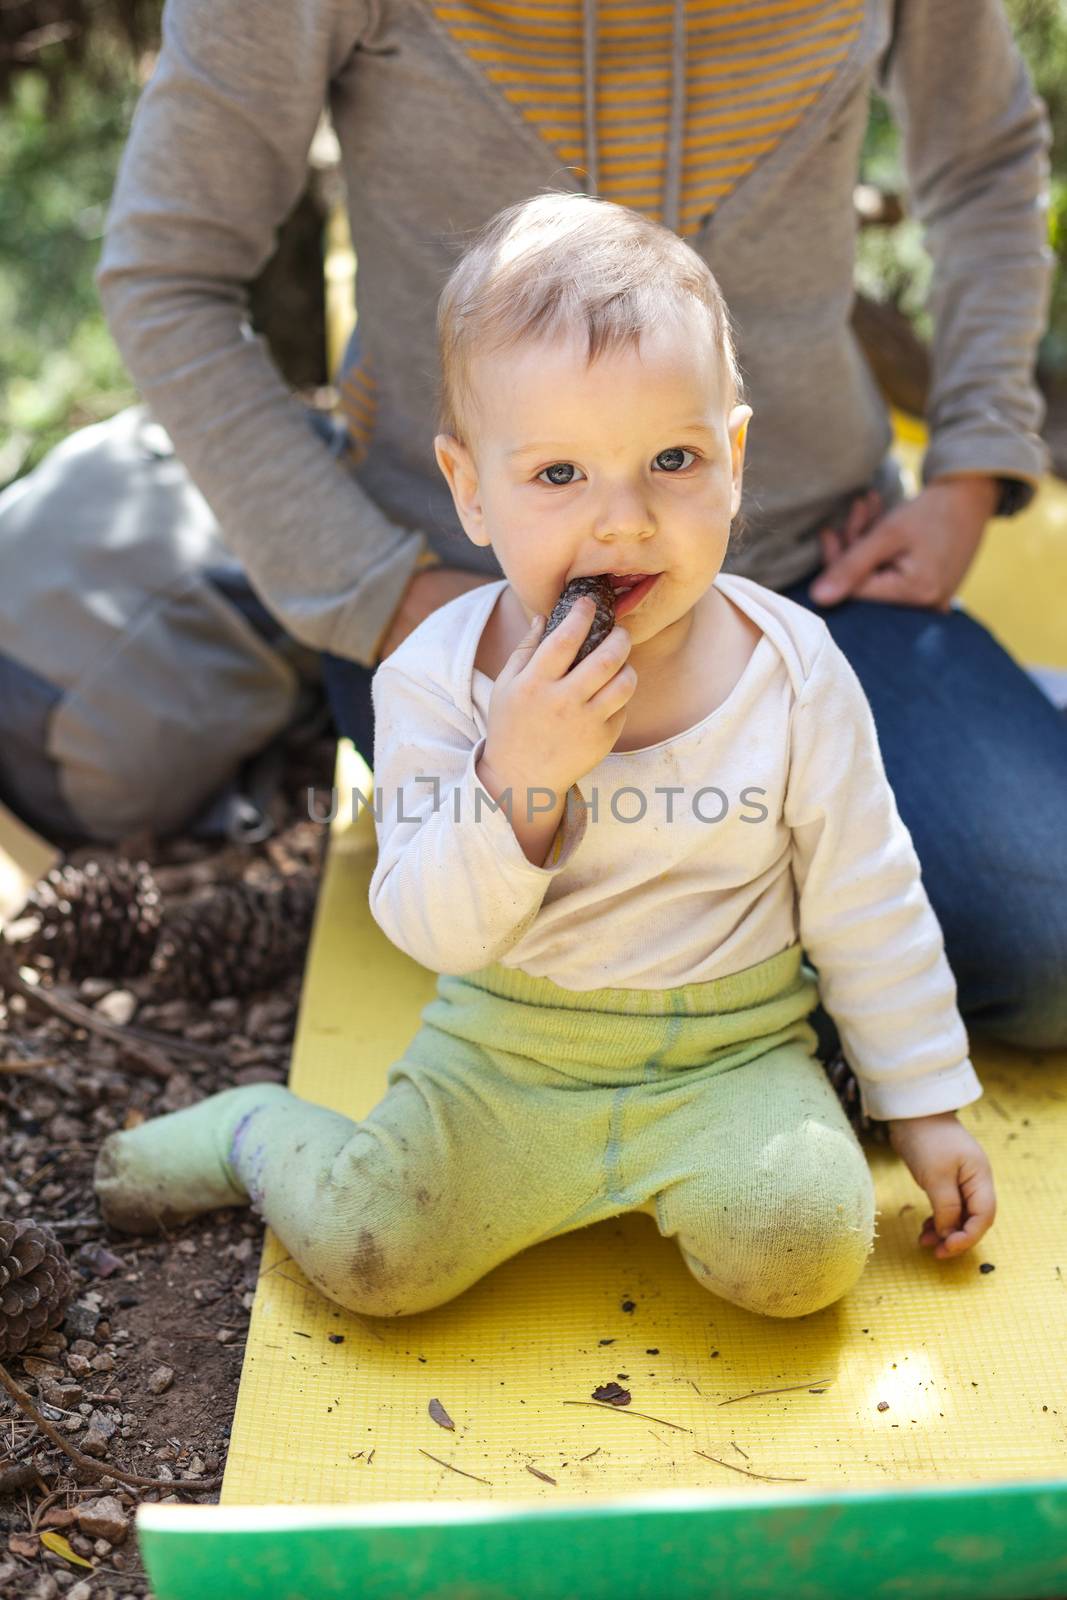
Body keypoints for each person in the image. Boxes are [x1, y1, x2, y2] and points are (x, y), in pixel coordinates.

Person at [2, 0, 1064, 1054]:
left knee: (1045, 949)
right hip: (467, 602)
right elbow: (167, 274)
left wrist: (970, 463)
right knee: (575, 954)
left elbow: (984, 159)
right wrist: (385, 596)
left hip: (820, 578)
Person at [94, 194, 996, 1321]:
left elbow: (868, 894)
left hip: (728, 1055)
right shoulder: (435, 675)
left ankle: (745, 1172)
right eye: (559, 475)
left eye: (672, 458)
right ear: (469, 488)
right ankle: (251, 1130)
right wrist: (516, 777)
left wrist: (920, 1103)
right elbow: (428, 924)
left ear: (734, 454)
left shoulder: (792, 665)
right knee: (376, 1258)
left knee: (807, 1244)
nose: (621, 523)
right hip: (505, 1061)